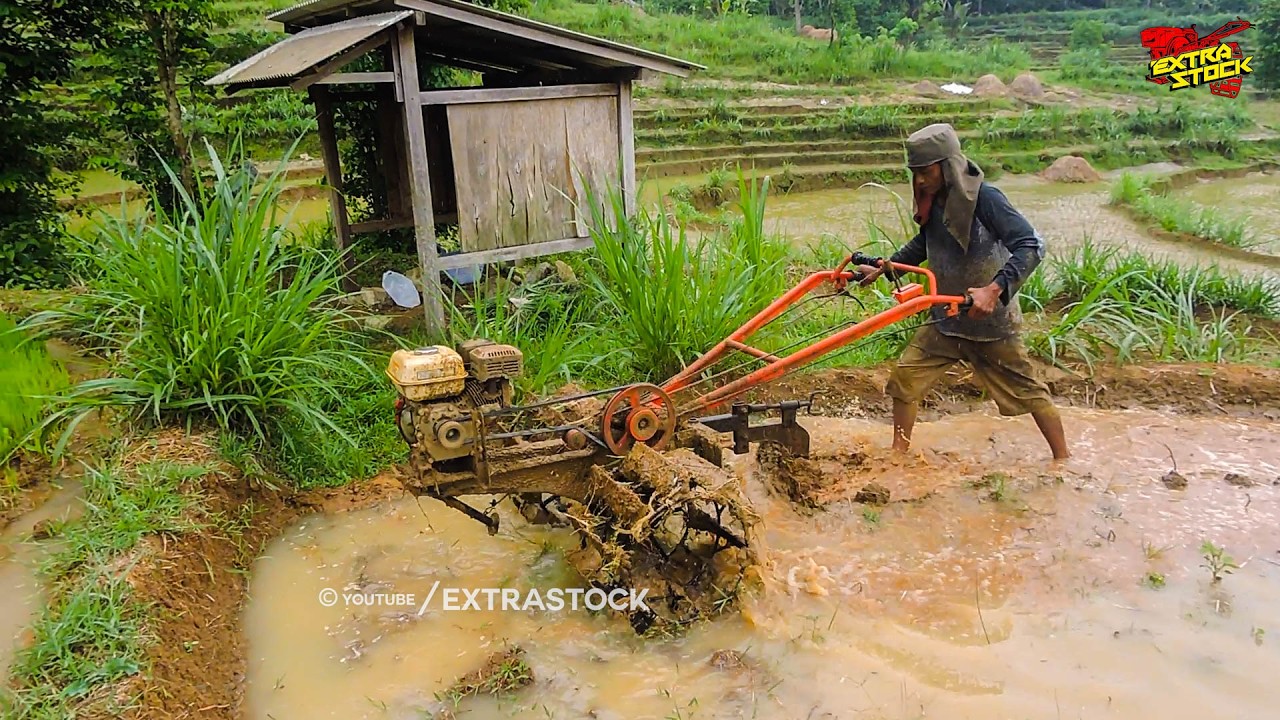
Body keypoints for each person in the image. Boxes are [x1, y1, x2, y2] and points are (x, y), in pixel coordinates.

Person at [856, 123, 1070, 460]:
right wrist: (888, 267)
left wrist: (994, 290)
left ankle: (1063, 460)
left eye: (926, 172)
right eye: (916, 174)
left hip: (991, 324)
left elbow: (1031, 245)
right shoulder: (935, 202)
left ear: (947, 166)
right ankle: (898, 456)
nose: (921, 181)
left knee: (1030, 393)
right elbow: (926, 243)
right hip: (947, 319)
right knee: (904, 381)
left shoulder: (987, 199)